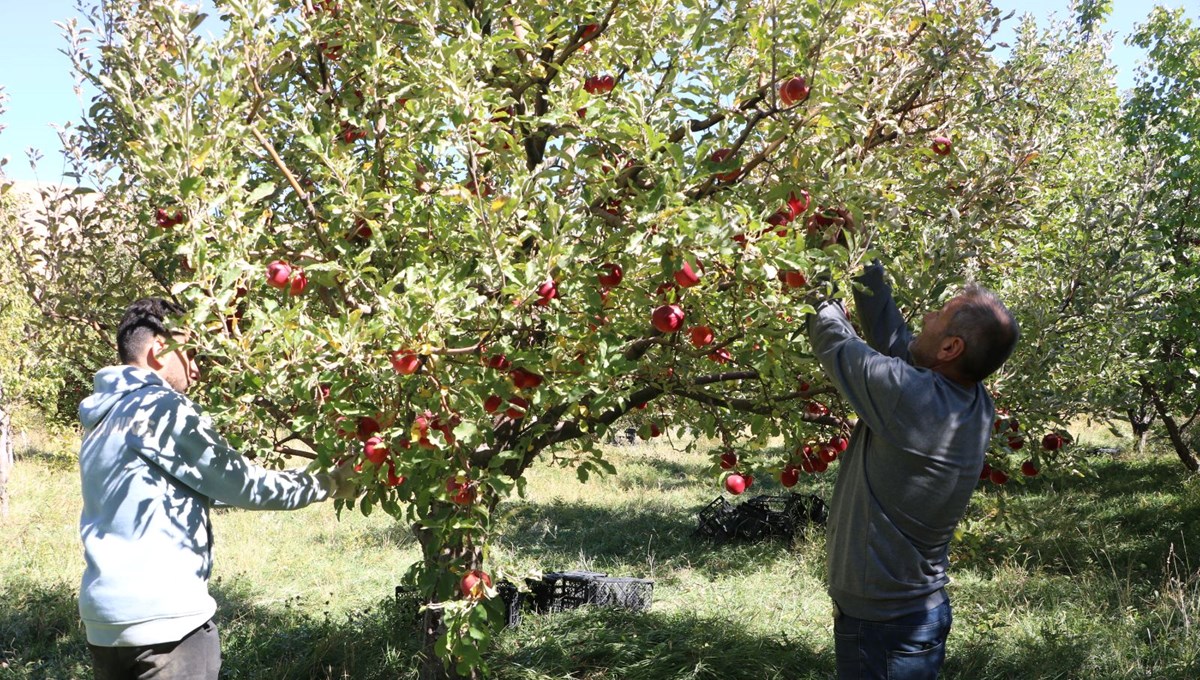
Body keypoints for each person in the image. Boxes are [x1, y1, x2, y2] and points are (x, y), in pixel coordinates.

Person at [78, 298, 356, 680]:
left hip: (106, 626)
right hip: (167, 628)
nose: (196, 369)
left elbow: (190, 487)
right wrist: (332, 483)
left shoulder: (104, 415)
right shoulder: (160, 408)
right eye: (191, 352)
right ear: (160, 350)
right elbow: (243, 484)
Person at [806, 218, 1020, 679]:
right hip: (909, 613)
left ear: (950, 346)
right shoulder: (971, 399)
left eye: (936, 316)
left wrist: (815, 265)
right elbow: (893, 338)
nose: (922, 319)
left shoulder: (912, 398)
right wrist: (858, 255)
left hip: (884, 626)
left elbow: (832, 338)